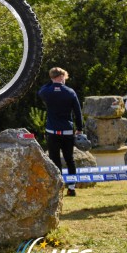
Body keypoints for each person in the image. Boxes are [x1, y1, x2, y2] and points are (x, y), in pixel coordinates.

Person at [38, 67, 83, 197]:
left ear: (52, 78)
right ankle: (72, 188)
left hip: (52, 131)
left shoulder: (46, 91)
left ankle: (58, 188)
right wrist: (79, 128)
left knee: (55, 160)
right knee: (70, 160)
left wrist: (51, 82)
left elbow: (40, 91)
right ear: (62, 76)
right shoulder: (70, 92)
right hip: (67, 131)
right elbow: (78, 112)